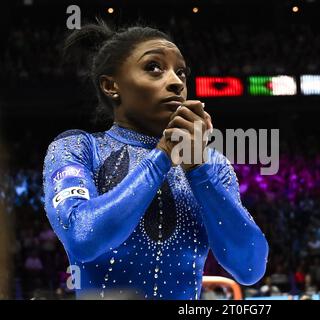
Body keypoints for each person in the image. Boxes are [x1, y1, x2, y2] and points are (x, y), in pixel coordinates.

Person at [42, 19, 268, 300]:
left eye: (181, 73)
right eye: (153, 68)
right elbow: (84, 238)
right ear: (112, 86)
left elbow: (249, 267)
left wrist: (199, 169)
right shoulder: (78, 147)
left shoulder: (212, 165)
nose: (176, 82)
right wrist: (162, 155)